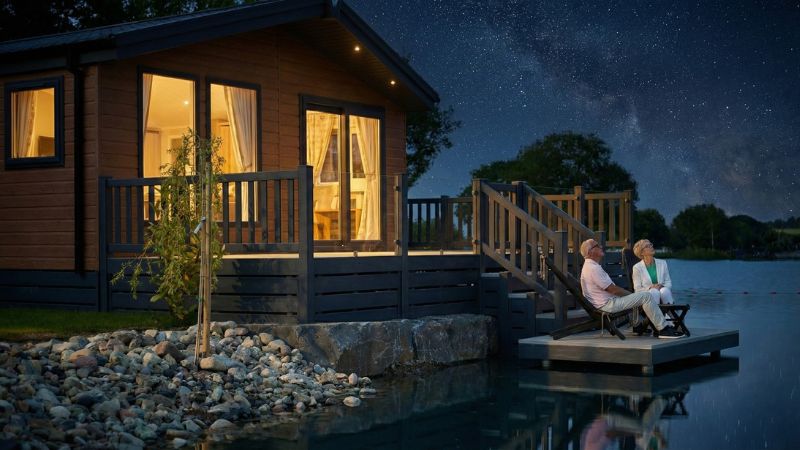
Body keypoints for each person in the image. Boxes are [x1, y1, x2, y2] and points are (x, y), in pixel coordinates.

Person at [579, 238, 683, 339]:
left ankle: (638, 326)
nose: (601, 246)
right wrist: (632, 295)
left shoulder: (591, 266)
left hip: (607, 302)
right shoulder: (593, 268)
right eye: (597, 245)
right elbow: (613, 290)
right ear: (590, 252)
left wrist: (633, 296)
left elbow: (612, 290)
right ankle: (663, 329)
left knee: (640, 296)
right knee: (646, 296)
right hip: (608, 305)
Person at [632, 239, 675, 305]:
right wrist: (650, 287)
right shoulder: (637, 268)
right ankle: (655, 314)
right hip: (646, 297)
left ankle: (669, 314)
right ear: (641, 253)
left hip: (663, 293)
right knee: (654, 292)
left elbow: (668, 283)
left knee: (665, 290)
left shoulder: (663, 263)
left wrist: (661, 286)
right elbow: (637, 289)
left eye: (650, 244)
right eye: (647, 246)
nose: (651, 247)